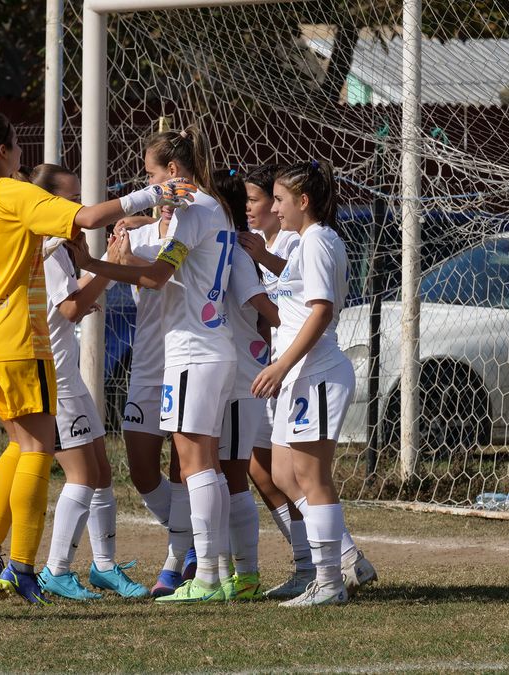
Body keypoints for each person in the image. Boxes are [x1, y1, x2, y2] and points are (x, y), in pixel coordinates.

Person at [0, 112, 192, 605]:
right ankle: (25, 567)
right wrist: (152, 194)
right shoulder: (14, 194)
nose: (22, 155)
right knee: (39, 452)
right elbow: (87, 218)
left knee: (19, 446)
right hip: (19, 340)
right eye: (17, 145)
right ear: (3, 152)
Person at [74, 127, 236, 603]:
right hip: (203, 349)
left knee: (196, 466)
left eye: (150, 175)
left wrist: (94, 263)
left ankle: (206, 573)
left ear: (173, 172)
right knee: (197, 465)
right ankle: (215, 569)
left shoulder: (194, 210)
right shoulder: (211, 209)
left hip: (192, 350)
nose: (148, 184)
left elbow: (157, 276)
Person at [251, 161, 373, 606]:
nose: (274, 208)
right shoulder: (306, 242)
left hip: (317, 372)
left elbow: (321, 312)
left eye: (280, 200)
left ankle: (329, 582)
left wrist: (281, 366)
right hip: (300, 375)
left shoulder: (319, 240)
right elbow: (296, 294)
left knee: (311, 476)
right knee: (284, 473)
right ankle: (346, 559)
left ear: (303, 201)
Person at [26, 164, 147, 600]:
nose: (78, 206)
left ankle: (105, 566)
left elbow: (69, 300)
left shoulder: (59, 246)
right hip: (54, 379)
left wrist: (93, 276)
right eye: (70, 198)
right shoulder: (47, 245)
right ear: (48, 203)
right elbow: (71, 309)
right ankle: (55, 570)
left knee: (100, 471)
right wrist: (108, 269)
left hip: (68, 376)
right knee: (81, 475)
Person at [237, 165, 315, 598]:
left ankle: (337, 556)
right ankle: (307, 562)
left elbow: (298, 289)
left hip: (293, 369)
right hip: (266, 369)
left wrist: (261, 260)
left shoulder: (293, 240)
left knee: (297, 472)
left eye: (256, 200)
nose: (249, 208)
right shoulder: (259, 239)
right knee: (260, 467)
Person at [211, 169, 281, 601]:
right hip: (224, 374)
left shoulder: (237, 252)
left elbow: (267, 310)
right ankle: (220, 573)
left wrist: (289, 332)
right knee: (221, 473)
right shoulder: (219, 246)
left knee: (236, 475)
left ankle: (246, 575)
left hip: (241, 379)